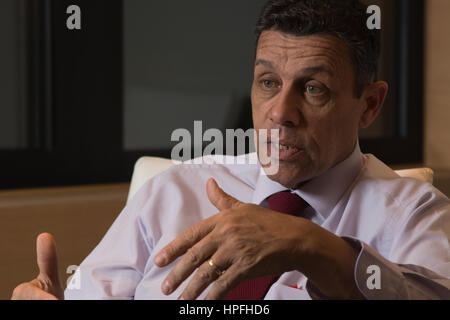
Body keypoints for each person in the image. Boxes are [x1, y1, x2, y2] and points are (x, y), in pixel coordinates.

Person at [12, 0, 450, 300]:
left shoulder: (412, 213)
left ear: (369, 104)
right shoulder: (177, 189)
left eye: (313, 88)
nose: (281, 113)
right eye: (268, 83)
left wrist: (311, 246)